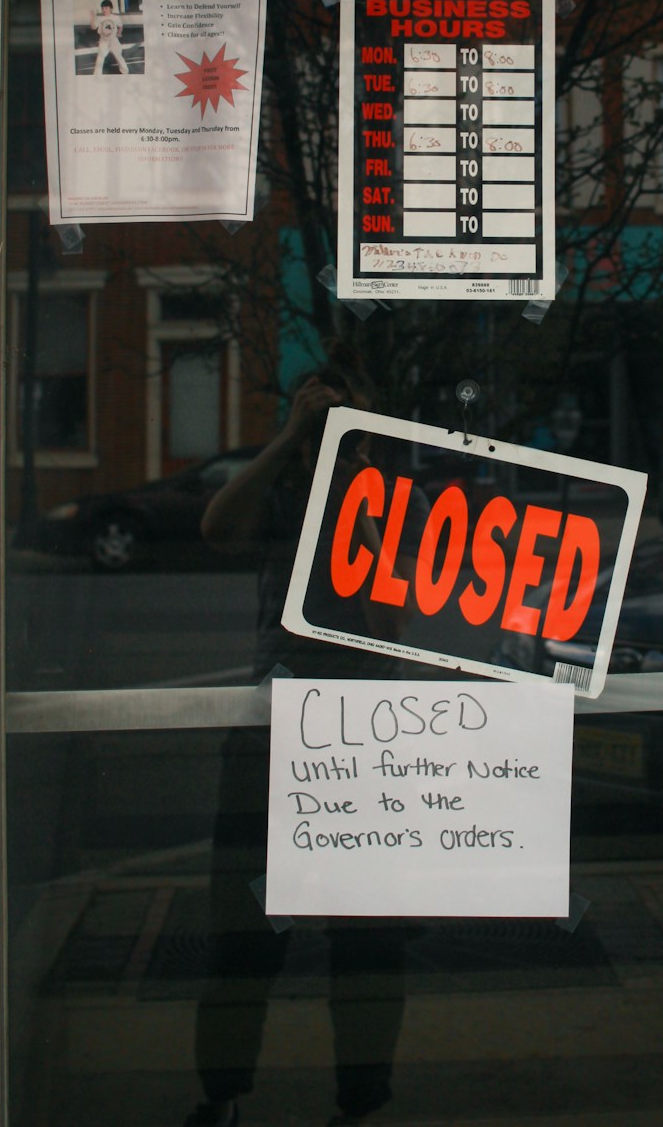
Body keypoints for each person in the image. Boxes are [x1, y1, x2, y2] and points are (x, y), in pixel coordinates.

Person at [185, 346, 421, 1127]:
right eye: (313, 405)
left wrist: (358, 475)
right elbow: (216, 526)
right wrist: (291, 441)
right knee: (243, 937)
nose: (326, 425)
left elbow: (396, 623)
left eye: (338, 410)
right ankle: (221, 1096)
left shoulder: (384, 496)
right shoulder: (282, 492)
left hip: (358, 736)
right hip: (271, 734)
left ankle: (360, 1101)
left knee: (365, 941)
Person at [89, 0, 129, 74]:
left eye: (106, 8)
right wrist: (92, 18)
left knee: (118, 56)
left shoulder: (115, 17)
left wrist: (119, 33)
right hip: (103, 41)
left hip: (113, 40)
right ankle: (97, 75)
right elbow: (93, 27)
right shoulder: (100, 18)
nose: (104, 10)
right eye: (103, 8)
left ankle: (125, 72)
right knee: (100, 58)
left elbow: (120, 25)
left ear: (110, 8)